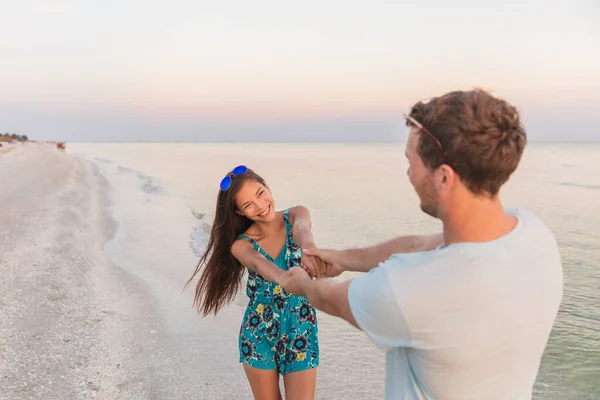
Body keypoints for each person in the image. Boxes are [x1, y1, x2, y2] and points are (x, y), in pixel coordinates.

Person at [280, 89, 564, 399]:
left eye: (410, 161)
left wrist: (303, 284)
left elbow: (330, 298)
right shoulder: (534, 234)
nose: (408, 173)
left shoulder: (411, 287)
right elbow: (422, 245)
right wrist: (343, 258)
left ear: (444, 177)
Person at [187, 165, 320, 400]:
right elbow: (259, 263)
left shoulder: (296, 214)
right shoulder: (241, 244)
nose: (260, 206)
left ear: (266, 185)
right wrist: (285, 278)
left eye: (260, 193)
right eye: (248, 205)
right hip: (259, 333)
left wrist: (310, 250)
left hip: (300, 327)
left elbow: (302, 229)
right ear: (240, 213)